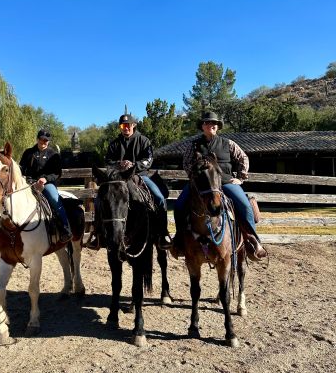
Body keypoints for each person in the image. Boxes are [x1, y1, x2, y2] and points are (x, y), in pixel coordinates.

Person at [172, 110, 268, 261]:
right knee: (179, 205)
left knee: (245, 205)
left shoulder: (228, 143)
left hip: (225, 182)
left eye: (214, 123)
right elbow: (186, 163)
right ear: (202, 126)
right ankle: (179, 241)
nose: (211, 125)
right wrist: (194, 177)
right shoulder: (194, 145)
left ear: (218, 126)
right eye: (207, 123)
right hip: (201, 186)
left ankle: (253, 241)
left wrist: (241, 178)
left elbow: (243, 158)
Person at [87, 113, 172, 250]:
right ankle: (97, 234)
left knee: (159, 198)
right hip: (118, 179)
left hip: (140, 175)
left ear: (133, 125)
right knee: (99, 200)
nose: (125, 128)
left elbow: (148, 160)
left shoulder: (144, 141)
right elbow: (108, 161)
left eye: (128, 125)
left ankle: (162, 234)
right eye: (122, 125)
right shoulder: (114, 144)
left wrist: (133, 165)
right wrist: (119, 164)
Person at [19, 129, 72, 244]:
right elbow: (21, 168)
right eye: (42, 140)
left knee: (54, 198)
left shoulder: (53, 154)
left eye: (46, 141)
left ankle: (65, 228)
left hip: (46, 184)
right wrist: (22, 176)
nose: (44, 142)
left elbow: (57, 173)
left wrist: (45, 179)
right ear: (37, 139)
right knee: (12, 198)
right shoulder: (28, 153)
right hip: (28, 183)